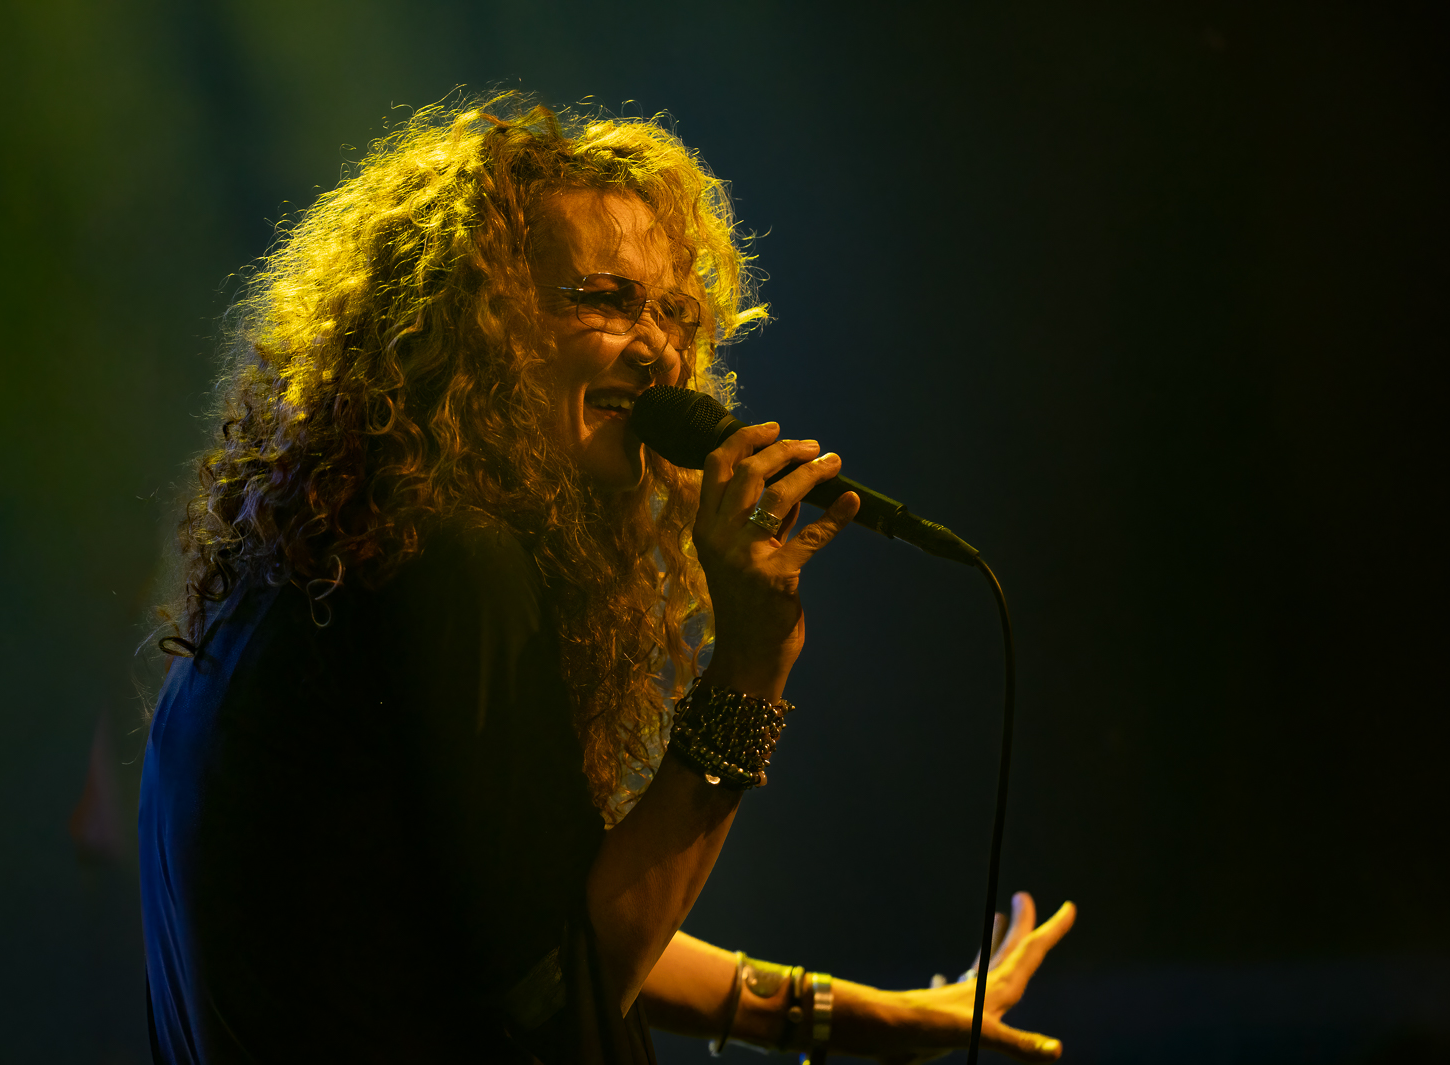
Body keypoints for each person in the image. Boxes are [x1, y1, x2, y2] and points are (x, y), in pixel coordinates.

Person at [139, 94, 1075, 1064]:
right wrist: (749, 665)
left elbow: (530, 928)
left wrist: (866, 1016)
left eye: (674, 313)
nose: (661, 349)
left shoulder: (324, 566)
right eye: (606, 299)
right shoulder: (455, 566)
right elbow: (563, 991)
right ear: (476, 319)